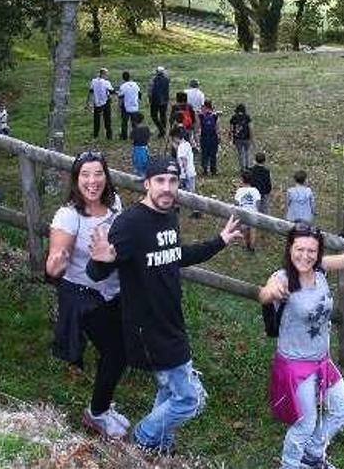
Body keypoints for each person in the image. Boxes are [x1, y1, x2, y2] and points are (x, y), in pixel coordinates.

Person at [86, 155, 243, 453]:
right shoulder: (131, 223)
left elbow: (175, 256)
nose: (167, 188)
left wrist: (219, 241)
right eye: (160, 181)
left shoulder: (168, 216)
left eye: (173, 181)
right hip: (148, 328)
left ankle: (158, 448)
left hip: (171, 320)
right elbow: (97, 271)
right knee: (189, 399)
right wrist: (103, 259)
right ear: (147, 183)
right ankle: (142, 439)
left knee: (167, 390)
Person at [258, 219, 344, 469]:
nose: (305, 256)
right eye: (299, 249)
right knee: (304, 424)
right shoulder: (282, 278)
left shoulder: (321, 269)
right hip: (295, 365)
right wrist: (271, 293)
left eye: (311, 250)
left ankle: (312, 455)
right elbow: (265, 293)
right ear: (290, 248)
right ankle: (289, 464)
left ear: (318, 252)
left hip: (321, 361)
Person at [45, 150, 128, 439]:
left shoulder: (115, 204)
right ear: (75, 179)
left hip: (114, 291)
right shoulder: (68, 215)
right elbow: (57, 253)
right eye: (85, 175)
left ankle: (102, 405)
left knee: (120, 349)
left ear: (106, 176)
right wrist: (57, 261)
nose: (92, 181)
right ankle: (97, 413)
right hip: (84, 296)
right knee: (117, 352)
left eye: (98, 173)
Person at [172, 127, 198, 218]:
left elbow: (183, 161)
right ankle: (177, 206)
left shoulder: (181, 147)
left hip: (186, 173)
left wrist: (183, 173)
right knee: (187, 191)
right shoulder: (186, 144)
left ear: (176, 137)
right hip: (190, 172)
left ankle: (195, 210)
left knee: (186, 192)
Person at [234, 170, 261, 252]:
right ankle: (252, 246)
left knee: (244, 229)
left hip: (243, 212)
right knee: (253, 229)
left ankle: (246, 244)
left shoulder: (240, 191)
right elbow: (258, 202)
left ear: (242, 180)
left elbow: (237, 202)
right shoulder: (255, 190)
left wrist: (237, 212)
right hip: (253, 212)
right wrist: (257, 210)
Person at [88, 68, 114, 140]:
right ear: (103, 74)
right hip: (105, 102)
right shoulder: (106, 82)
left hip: (96, 102)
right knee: (107, 119)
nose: (107, 76)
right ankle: (109, 136)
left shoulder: (93, 81)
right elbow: (111, 91)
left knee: (96, 120)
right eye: (106, 74)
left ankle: (95, 135)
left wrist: (88, 102)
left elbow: (91, 91)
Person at [118, 71, 141, 142]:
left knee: (124, 123)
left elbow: (120, 97)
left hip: (126, 107)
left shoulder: (123, 86)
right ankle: (135, 136)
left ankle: (124, 136)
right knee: (134, 123)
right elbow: (140, 94)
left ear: (123, 78)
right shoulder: (135, 84)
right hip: (135, 106)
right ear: (129, 77)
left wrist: (119, 105)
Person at [198, 100, 220, 176]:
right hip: (213, 137)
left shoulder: (201, 115)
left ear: (205, 106)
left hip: (204, 137)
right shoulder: (215, 115)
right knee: (213, 154)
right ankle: (213, 169)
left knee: (204, 154)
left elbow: (199, 127)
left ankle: (205, 169)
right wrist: (219, 136)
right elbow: (217, 127)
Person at [229, 103, 252, 171]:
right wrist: (251, 137)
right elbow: (250, 127)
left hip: (237, 138)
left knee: (240, 153)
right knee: (247, 152)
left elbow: (231, 128)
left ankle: (242, 167)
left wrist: (230, 136)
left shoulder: (234, 117)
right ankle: (247, 166)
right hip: (246, 137)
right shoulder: (247, 117)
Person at [149, 66, 170, 138]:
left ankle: (161, 129)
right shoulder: (167, 79)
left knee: (153, 115)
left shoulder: (153, 79)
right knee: (163, 115)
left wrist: (150, 99)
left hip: (155, 100)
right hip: (165, 100)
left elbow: (150, 90)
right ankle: (163, 130)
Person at [184, 79, 205, 149]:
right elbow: (202, 105)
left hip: (187, 114)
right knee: (197, 131)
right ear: (197, 85)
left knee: (189, 130)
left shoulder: (185, 92)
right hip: (197, 114)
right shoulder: (201, 94)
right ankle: (198, 145)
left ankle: (191, 144)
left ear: (190, 85)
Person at [130, 112, 151, 177]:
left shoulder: (134, 131)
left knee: (138, 165)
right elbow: (148, 138)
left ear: (133, 121)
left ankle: (140, 178)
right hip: (145, 149)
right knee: (146, 163)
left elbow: (131, 138)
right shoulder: (146, 128)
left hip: (137, 149)